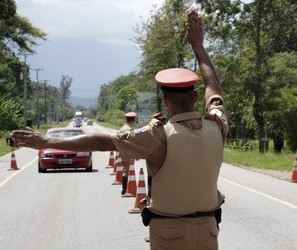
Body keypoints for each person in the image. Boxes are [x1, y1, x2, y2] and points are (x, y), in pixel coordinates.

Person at [11, 10, 228, 249]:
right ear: (196, 97)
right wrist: (198, 46)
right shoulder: (217, 125)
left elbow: (101, 142)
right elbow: (213, 86)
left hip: (170, 234)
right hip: (209, 232)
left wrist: (45, 142)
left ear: (166, 101)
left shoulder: (159, 136)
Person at [119, 111, 137, 196]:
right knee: (127, 171)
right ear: (133, 120)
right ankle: (126, 189)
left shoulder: (122, 128)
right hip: (128, 152)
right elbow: (133, 143)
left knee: (125, 170)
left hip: (122, 151)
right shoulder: (130, 130)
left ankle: (124, 189)